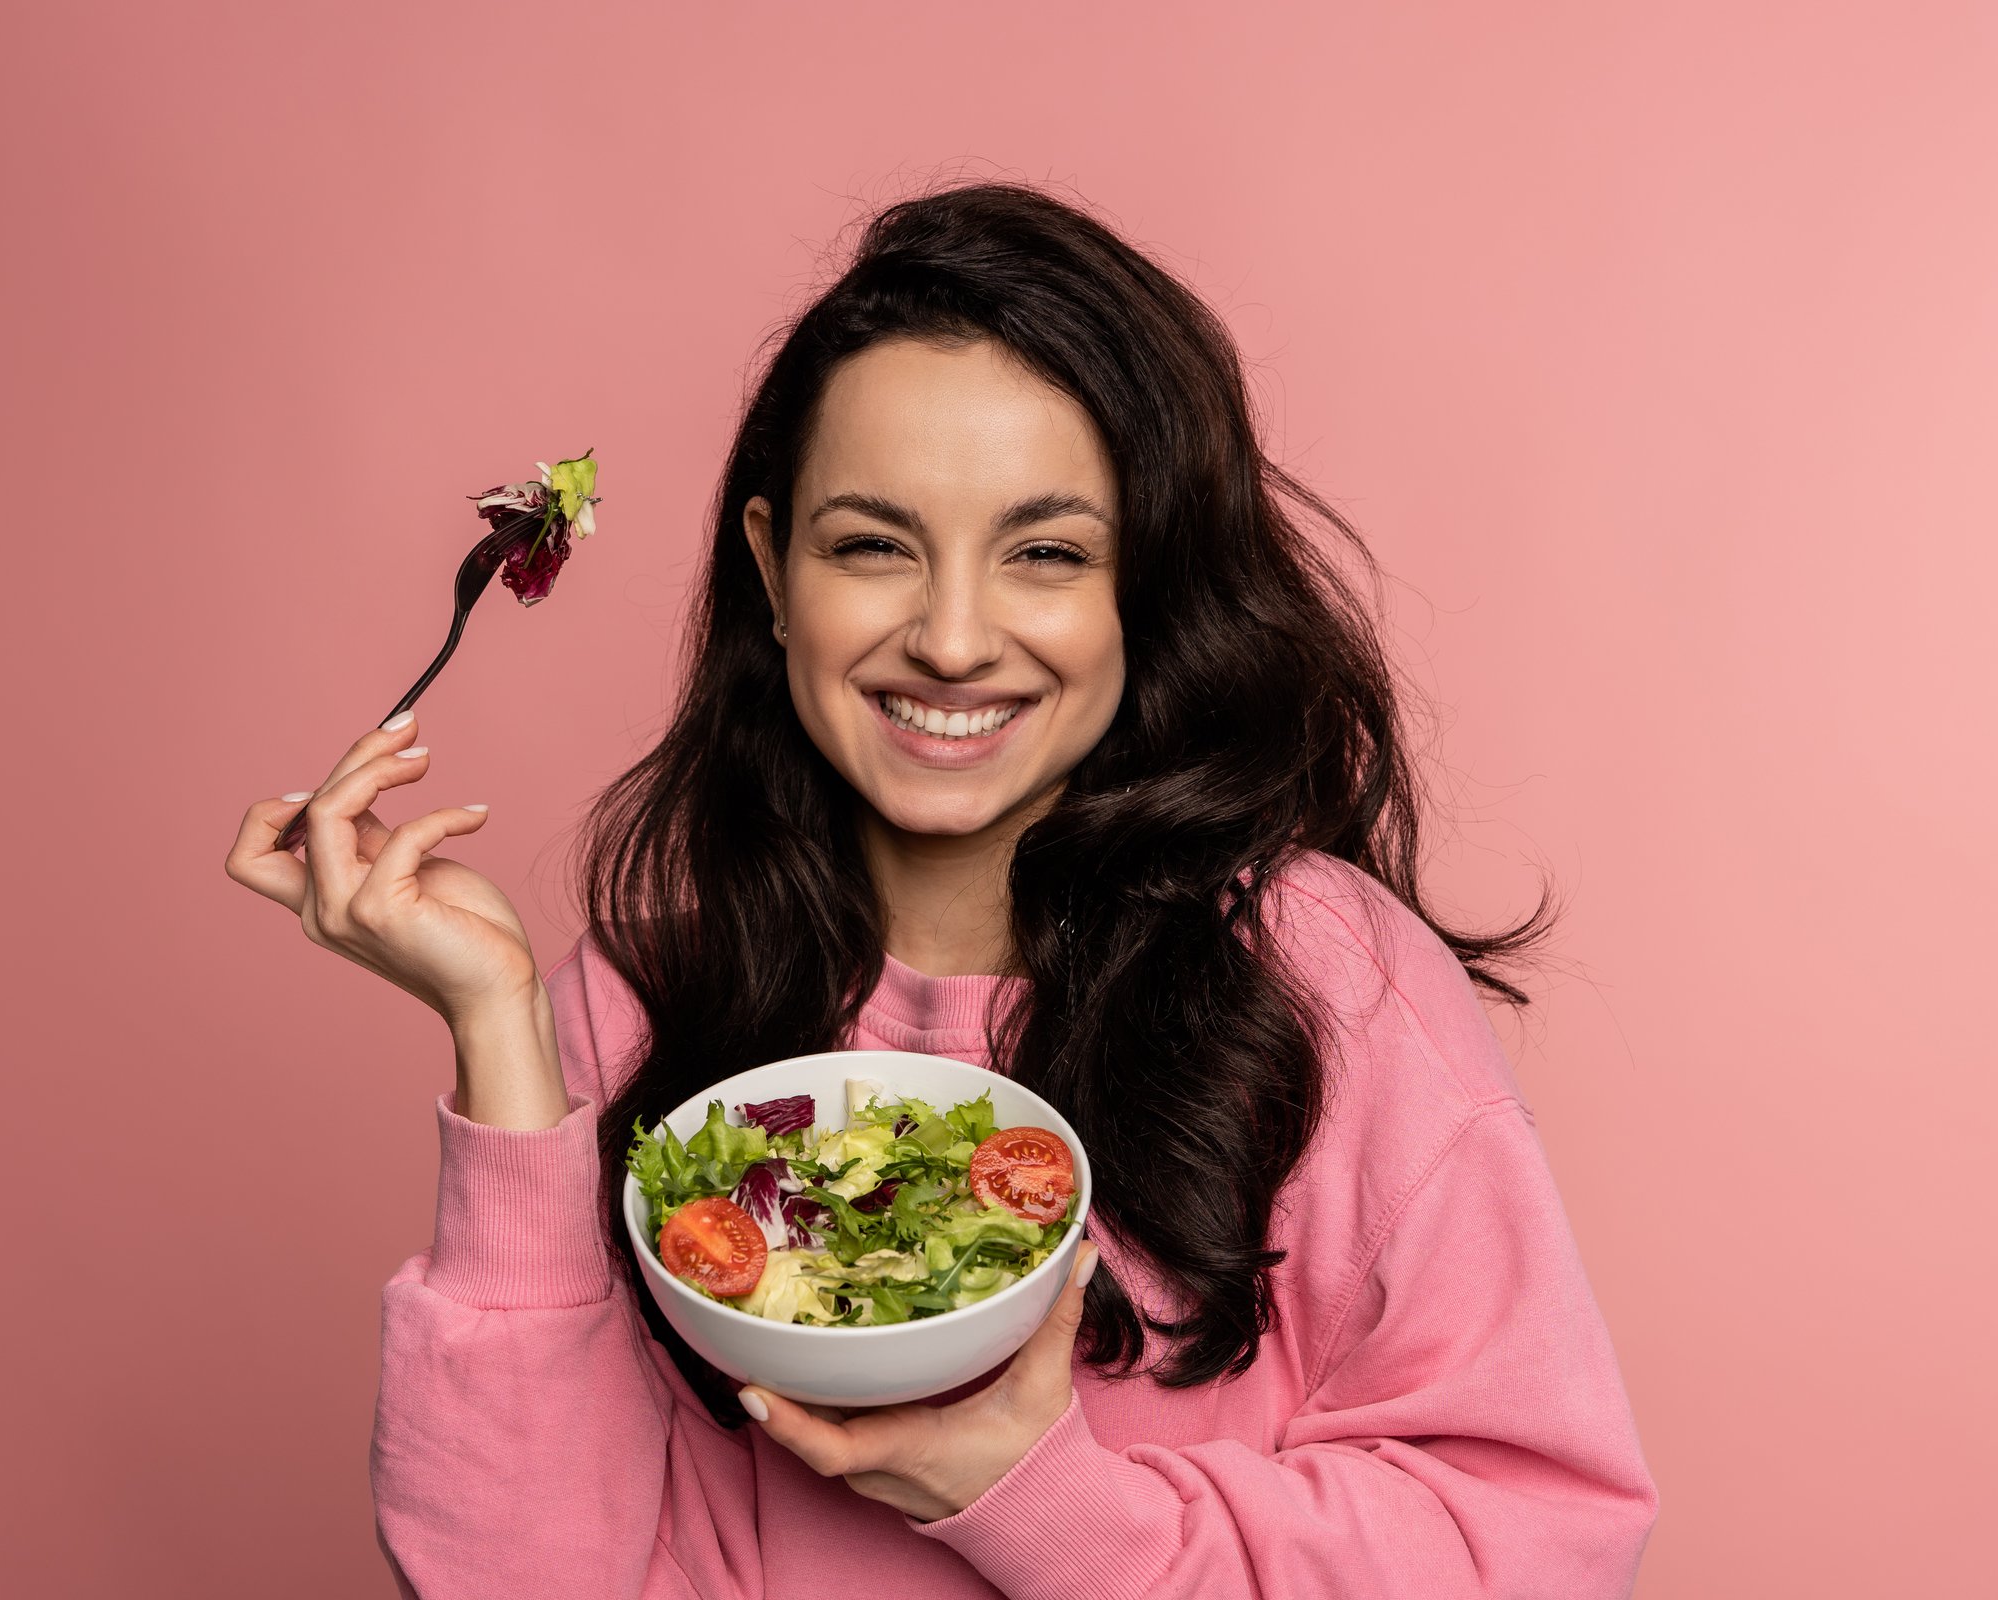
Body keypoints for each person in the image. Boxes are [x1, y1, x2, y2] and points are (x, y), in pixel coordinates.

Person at [226, 183, 1658, 1598]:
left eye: (1045, 553)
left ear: (1140, 593)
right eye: (872, 546)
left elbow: (1534, 1547)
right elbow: (522, 1577)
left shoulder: (1327, 981)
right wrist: (501, 1038)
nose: (955, 638)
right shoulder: (647, 1004)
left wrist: (1040, 1501)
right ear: (773, 575)